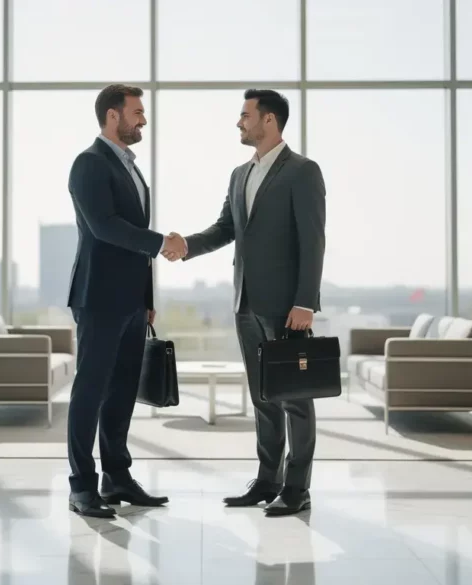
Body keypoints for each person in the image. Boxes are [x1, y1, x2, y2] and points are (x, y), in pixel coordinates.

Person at [164, 89, 326, 516]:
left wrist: (305, 301)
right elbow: (224, 228)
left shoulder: (303, 172)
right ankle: (267, 479)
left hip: (287, 307)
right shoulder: (239, 174)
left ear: (268, 120)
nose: (239, 123)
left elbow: (313, 241)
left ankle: (297, 487)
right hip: (245, 304)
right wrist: (186, 246)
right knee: (262, 397)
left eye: (245, 115)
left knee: (295, 398)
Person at [66, 84, 187, 518]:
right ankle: (82, 486)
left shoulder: (134, 171)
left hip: (133, 302)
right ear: (112, 116)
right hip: (99, 297)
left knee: (121, 394)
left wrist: (147, 297)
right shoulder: (89, 164)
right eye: (137, 112)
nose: (143, 120)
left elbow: (134, 245)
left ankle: (117, 476)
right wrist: (162, 242)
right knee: (91, 391)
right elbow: (105, 227)